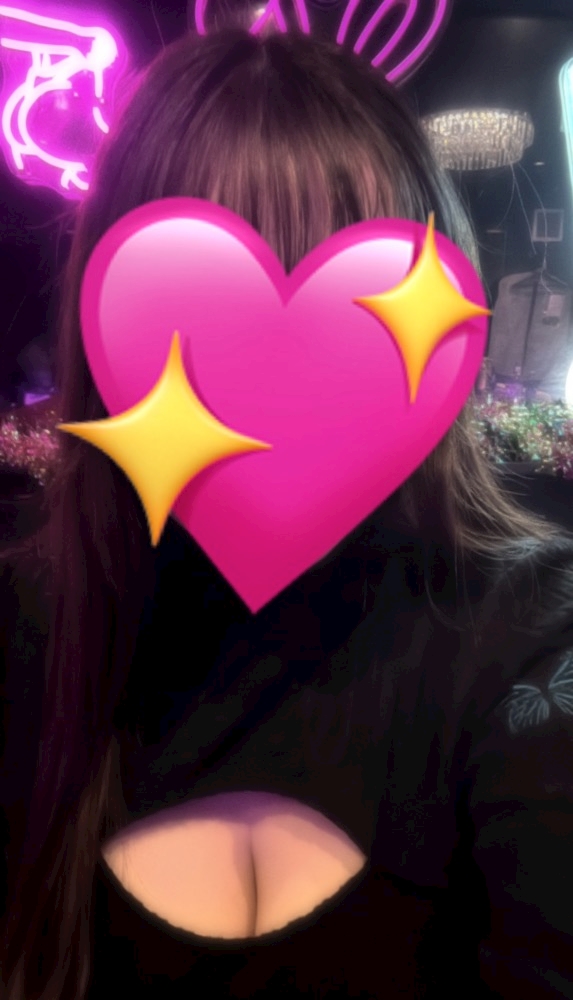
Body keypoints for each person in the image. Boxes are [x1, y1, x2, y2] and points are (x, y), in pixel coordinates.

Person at [2, 23, 573, 1000]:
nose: (279, 390)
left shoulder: (527, 634)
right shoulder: (31, 628)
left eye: (355, 314)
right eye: (199, 314)